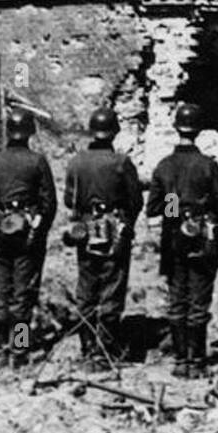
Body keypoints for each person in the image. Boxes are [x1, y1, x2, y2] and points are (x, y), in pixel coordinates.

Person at [147, 102, 218, 378]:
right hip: (202, 244)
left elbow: (154, 209)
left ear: (177, 128)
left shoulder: (164, 166)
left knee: (176, 301)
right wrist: (204, 219)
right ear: (198, 131)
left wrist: (177, 210)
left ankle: (181, 361)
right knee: (198, 301)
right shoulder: (208, 166)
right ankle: (196, 362)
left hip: (173, 243)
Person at [0, 108, 57, 367]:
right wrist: (38, 233)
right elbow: (49, 205)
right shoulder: (37, 161)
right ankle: (19, 350)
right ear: (30, 133)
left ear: (8, 132)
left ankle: (1, 348)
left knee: (2, 295)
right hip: (27, 240)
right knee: (23, 297)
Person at [64, 106, 142, 366]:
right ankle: (105, 351)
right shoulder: (121, 163)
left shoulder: (76, 162)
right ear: (114, 132)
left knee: (86, 288)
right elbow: (135, 201)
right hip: (115, 232)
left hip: (85, 232)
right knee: (112, 287)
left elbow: (68, 200)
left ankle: (87, 350)